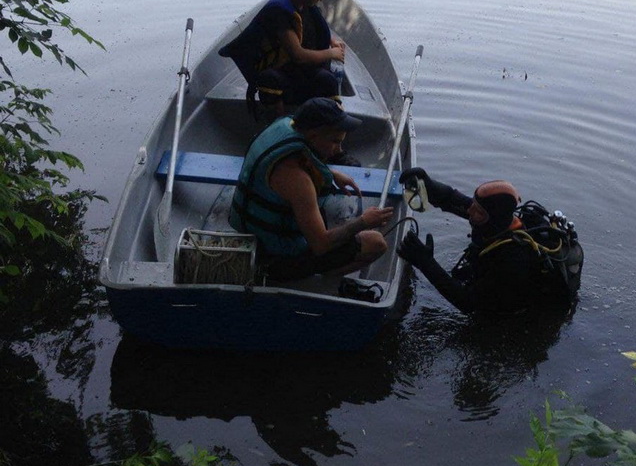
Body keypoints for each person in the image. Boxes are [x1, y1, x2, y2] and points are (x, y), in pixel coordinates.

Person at [229, 97, 393, 281]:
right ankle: (321, 276)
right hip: (273, 258)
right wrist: (363, 221)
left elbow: (302, 157)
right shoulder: (298, 180)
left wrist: (331, 174)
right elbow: (321, 245)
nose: (339, 150)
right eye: (334, 141)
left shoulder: (285, 126)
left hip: (252, 232)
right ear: (314, 135)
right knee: (376, 242)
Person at [396, 168, 584, 314]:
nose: (470, 211)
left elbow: (468, 303)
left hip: (508, 315)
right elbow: (456, 201)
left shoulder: (513, 258)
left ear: (493, 218)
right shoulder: (496, 222)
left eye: (478, 211)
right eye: (474, 206)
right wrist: (428, 185)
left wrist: (426, 263)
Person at [219, 0, 347, 116]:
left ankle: (325, 128)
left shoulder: (304, 2)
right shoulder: (279, 12)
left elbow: (309, 31)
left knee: (328, 80)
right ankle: (278, 126)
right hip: (281, 71)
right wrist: (331, 53)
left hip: (297, 71)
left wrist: (330, 41)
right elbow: (298, 56)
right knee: (269, 80)